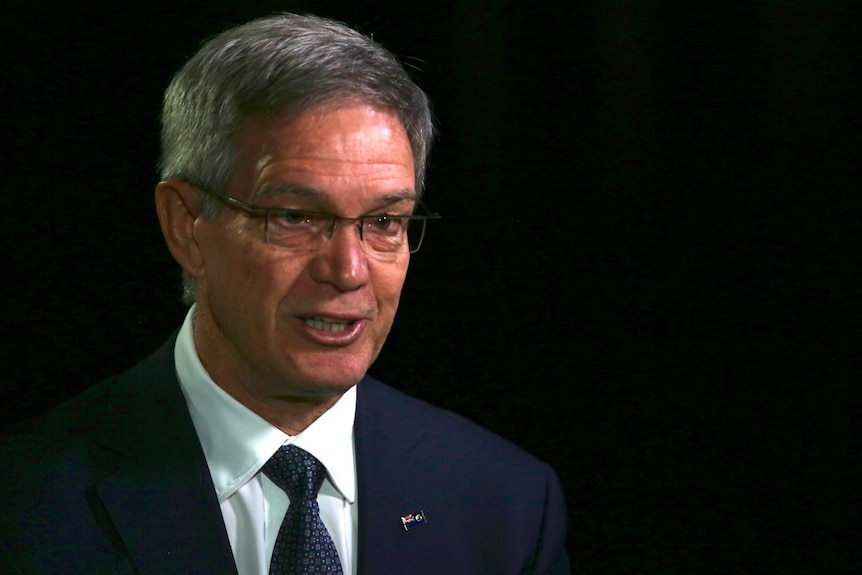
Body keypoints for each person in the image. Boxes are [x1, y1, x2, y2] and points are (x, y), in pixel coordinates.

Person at [0, 13, 569, 575]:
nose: (349, 272)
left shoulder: (508, 503)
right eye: (295, 217)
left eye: (385, 222)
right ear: (186, 226)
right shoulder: (24, 504)